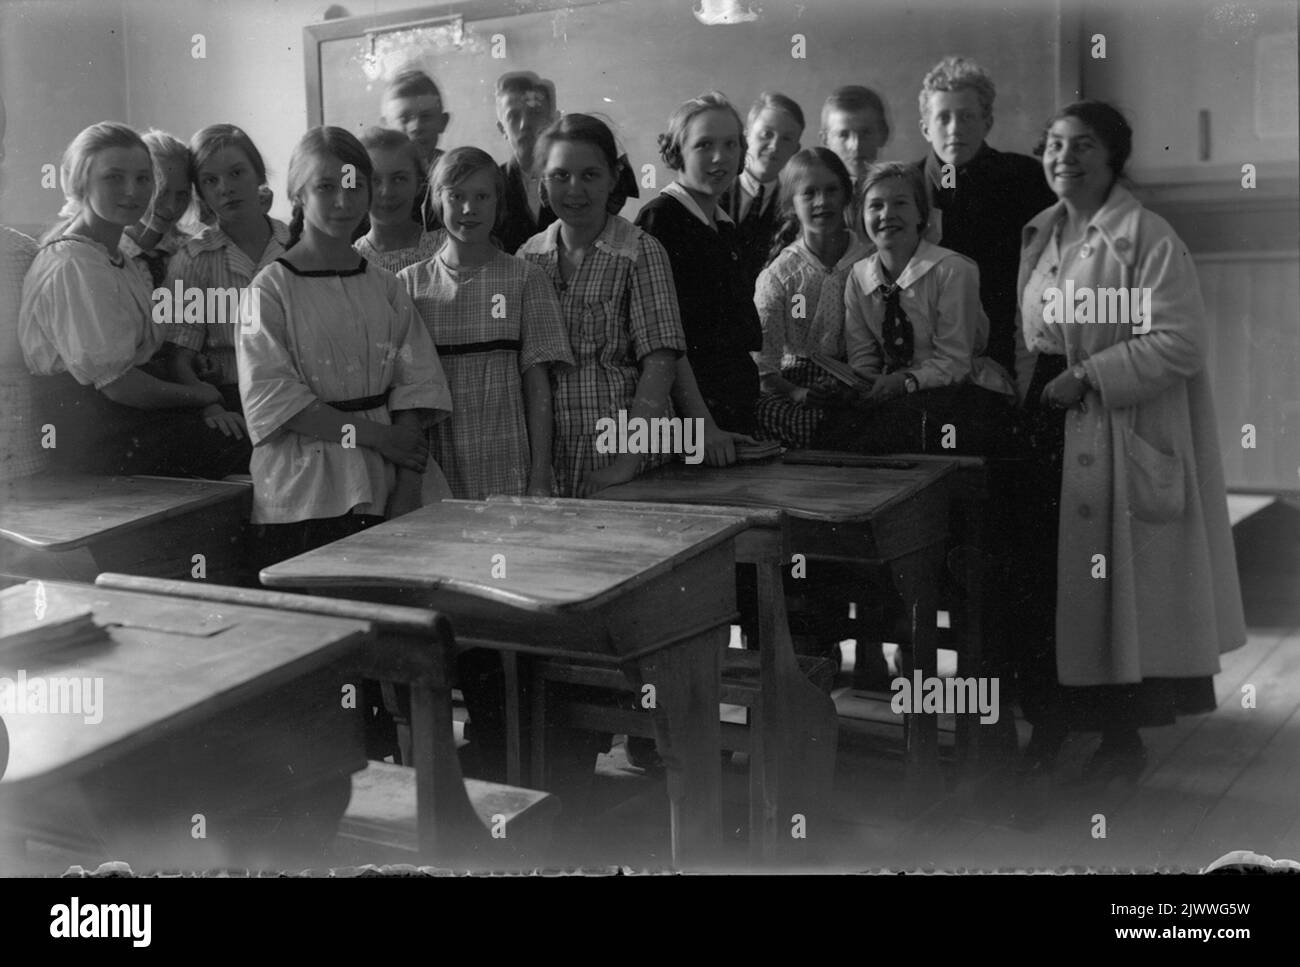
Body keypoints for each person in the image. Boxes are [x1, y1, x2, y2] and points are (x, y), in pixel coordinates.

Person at [1012, 101, 1246, 784]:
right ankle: (1049, 728)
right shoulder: (1041, 233)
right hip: (1046, 422)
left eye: (1082, 145)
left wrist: (1088, 375)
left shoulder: (1146, 235)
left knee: (1111, 586)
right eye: (1053, 145)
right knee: (1046, 583)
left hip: (1114, 419)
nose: (1064, 157)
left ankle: (1121, 741)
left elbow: (1180, 341)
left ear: (1115, 157)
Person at [236, 125, 451, 562]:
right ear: (298, 193)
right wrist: (378, 437)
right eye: (325, 186)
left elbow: (416, 385)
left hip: (388, 481)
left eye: (354, 185)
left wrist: (407, 486)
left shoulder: (387, 287)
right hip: (306, 492)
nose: (342, 200)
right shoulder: (270, 290)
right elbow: (274, 397)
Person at [19, 122, 249, 479]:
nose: (132, 191)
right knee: (252, 441)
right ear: (80, 183)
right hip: (96, 434)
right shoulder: (73, 264)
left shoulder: (117, 259)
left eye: (143, 179)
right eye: (114, 178)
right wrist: (203, 397)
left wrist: (205, 395)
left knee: (262, 415)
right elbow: (120, 385)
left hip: (130, 415)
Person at [399, 146, 572, 500]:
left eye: (481, 196)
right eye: (456, 196)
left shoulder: (525, 279)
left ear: (498, 202)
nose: (468, 208)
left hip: (509, 462)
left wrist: (539, 474)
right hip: (438, 467)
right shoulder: (408, 285)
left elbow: (538, 387)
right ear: (437, 201)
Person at [815, 162, 1016, 455]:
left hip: (962, 390)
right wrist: (856, 384)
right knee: (836, 428)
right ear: (861, 215)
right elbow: (864, 358)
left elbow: (955, 362)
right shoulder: (858, 277)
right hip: (898, 393)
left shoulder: (953, 270)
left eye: (900, 203)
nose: (886, 215)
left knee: (897, 427)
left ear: (921, 213)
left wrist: (903, 382)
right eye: (875, 206)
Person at [910, 56, 1057, 377]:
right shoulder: (903, 186)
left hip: (1006, 350)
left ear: (987, 122)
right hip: (923, 353)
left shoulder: (1026, 180)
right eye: (943, 117)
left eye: (967, 117)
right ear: (924, 127)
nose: (954, 129)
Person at [635, 91, 764, 441]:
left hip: (732, 404)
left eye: (731, 144)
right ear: (678, 151)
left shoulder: (724, 226)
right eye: (704, 145)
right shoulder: (661, 220)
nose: (720, 157)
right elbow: (665, 339)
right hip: (691, 413)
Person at [162, 124, 289, 427]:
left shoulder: (295, 246)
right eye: (210, 180)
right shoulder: (192, 260)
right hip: (232, 399)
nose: (225, 188)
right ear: (201, 193)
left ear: (258, 175)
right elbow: (179, 355)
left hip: (299, 394)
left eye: (236, 173)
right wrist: (212, 408)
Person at [752, 146, 870, 448]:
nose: (822, 202)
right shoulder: (780, 275)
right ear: (792, 203)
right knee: (759, 411)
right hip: (797, 388)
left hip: (861, 379)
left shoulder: (869, 261)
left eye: (831, 190)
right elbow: (765, 368)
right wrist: (799, 393)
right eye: (809, 193)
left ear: (846, 194)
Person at [719, 91, 805, 291]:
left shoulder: (794, 211)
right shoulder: (713, 194)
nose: (774, 146)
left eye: (786, 139)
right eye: (766, 134)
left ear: (795, 149)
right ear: (746, 134)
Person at [355, 126, 446, 274]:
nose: (387, 192)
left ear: (418, 183)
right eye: (374, 180)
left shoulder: (445, 247)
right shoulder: (352, 260)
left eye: (399, 179)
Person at [494, 71, 559, 254]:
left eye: (534, 113)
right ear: (502, 129)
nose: (524, 125)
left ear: (554, 120)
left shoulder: (572, 180)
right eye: (513, 116)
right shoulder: (490, 185)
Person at [119, 129, 192, 288]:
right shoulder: (107, 254)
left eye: (182, 195)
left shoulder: (191, 251)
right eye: (162, 192)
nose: (172, 207)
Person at [380, 68, 449, 230]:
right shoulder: (373, 181)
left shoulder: (459, 174)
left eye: (426, 117)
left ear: (443, 121)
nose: (416, 127)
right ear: (385, 127)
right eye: (404, 118)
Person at [820, 85, 890, 234]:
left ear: (883, 134)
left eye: (866, 133)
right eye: (843, 135)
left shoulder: (896, 193)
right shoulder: (814, 198)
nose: (855, 146)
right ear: (825, 140)